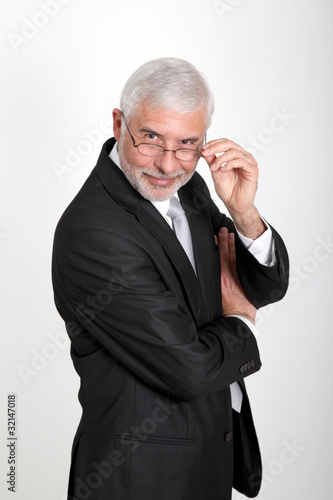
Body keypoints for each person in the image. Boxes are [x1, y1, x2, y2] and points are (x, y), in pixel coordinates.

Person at [52, 57, 289, 500]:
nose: (167, 164)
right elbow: (190, 370)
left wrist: (244, 215)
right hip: (139, 477)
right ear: (120, 123)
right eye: (151, 139)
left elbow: (265, 288)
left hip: (207, 456)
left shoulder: (191, 187)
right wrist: (240, 319)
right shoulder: (94, 234)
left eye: (186, 144)